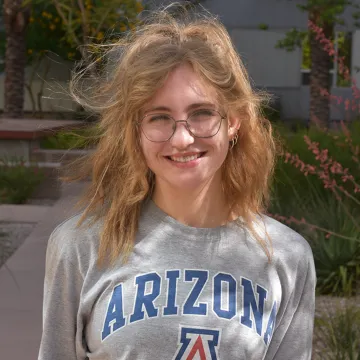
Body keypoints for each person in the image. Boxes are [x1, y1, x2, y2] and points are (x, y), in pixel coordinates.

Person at [38, 4, 316, 360]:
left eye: (201, 113)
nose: (182, 139)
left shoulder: (286, 257)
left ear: (234, 122)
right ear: (135, 131)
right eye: (159, 117)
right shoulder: (81, 246)